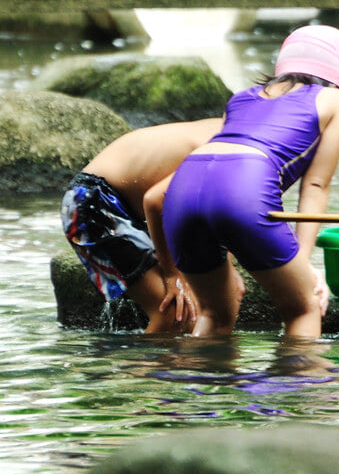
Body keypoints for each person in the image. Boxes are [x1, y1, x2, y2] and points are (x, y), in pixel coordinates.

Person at [145, 25, 339, 338]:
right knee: (304, 307)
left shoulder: (241, 99)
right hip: (242, 184)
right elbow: (315, 186)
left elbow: (174, 194)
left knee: (214, 313)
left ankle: (197, 384)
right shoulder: (336, 99)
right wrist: (303, 263)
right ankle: (301, 387)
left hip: (183, 187)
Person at [61, 118, 223, 334]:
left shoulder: (236, 127)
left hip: (116, 204)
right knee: (174, 314)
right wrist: (172, 274)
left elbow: (207, 213)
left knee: (191, 313)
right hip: (93, 200)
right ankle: (141, 367)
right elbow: (156, 202)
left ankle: (158, 366)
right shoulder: (228, 147)